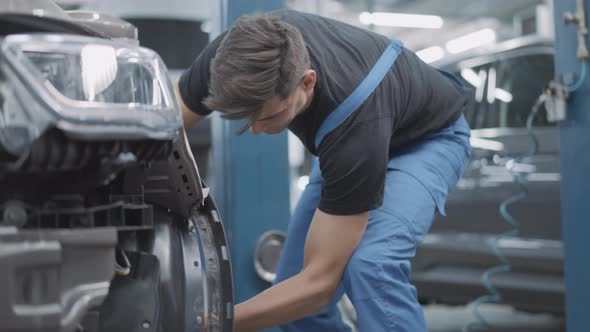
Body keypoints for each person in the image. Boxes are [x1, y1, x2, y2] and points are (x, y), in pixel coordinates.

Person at [176, 9, 472, 332]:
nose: (257, 130)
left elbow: (319, 285)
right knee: (292, 302)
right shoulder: (237, 57)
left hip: (425, 140)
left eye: (269, 117)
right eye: (247, 119)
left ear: (307, 81)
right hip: (359, 137)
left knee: (372, 266)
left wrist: (214, 324)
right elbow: (170, 120)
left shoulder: (353, 128)